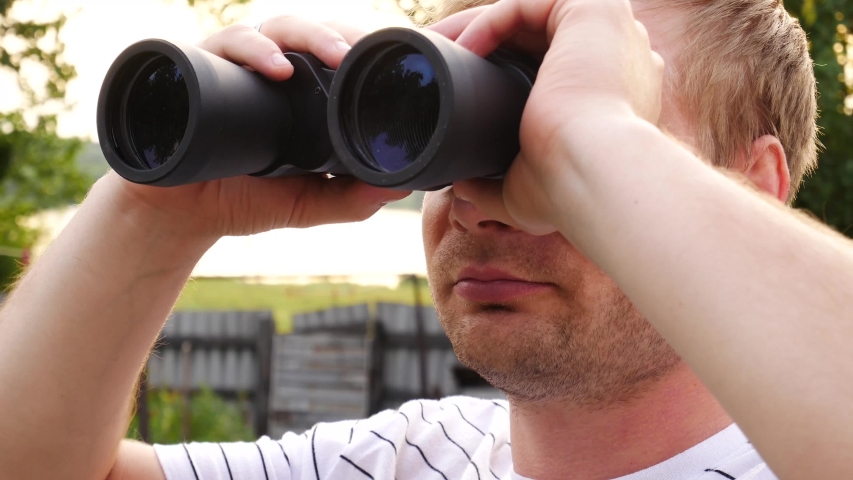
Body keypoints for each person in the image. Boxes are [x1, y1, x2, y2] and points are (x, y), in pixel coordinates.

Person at [1, 0, 850, 478]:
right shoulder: (398, 459)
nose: (483, 202)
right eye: (471, 127)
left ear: (755, 184)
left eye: (544, 130)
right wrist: (151, 212)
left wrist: (587, 138)